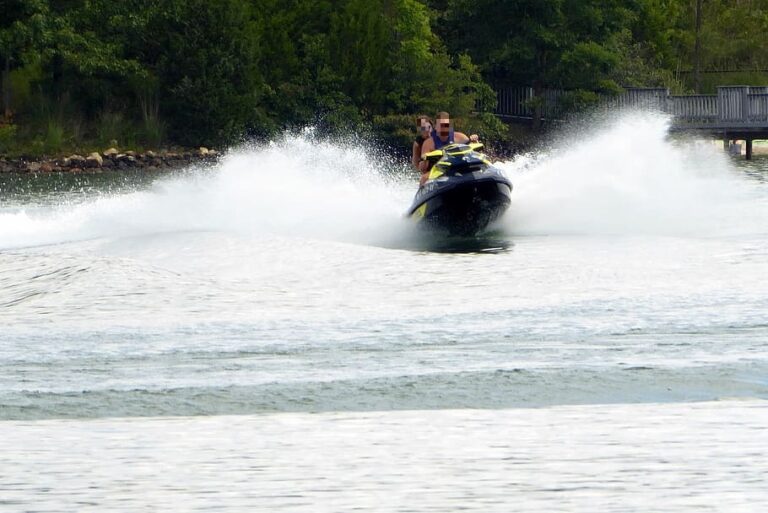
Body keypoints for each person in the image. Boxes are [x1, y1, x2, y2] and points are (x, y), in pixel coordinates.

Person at [418, 111, 478, 183]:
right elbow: (422, 169)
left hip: (459, 166)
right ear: (436, 127)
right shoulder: (428, 143)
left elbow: (473, 152)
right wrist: (425, 159)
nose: (444, 128)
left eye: (446, 125)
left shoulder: (460, 137)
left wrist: (475, 141)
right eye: (441, 125)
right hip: (439, 170)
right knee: (424, 178)